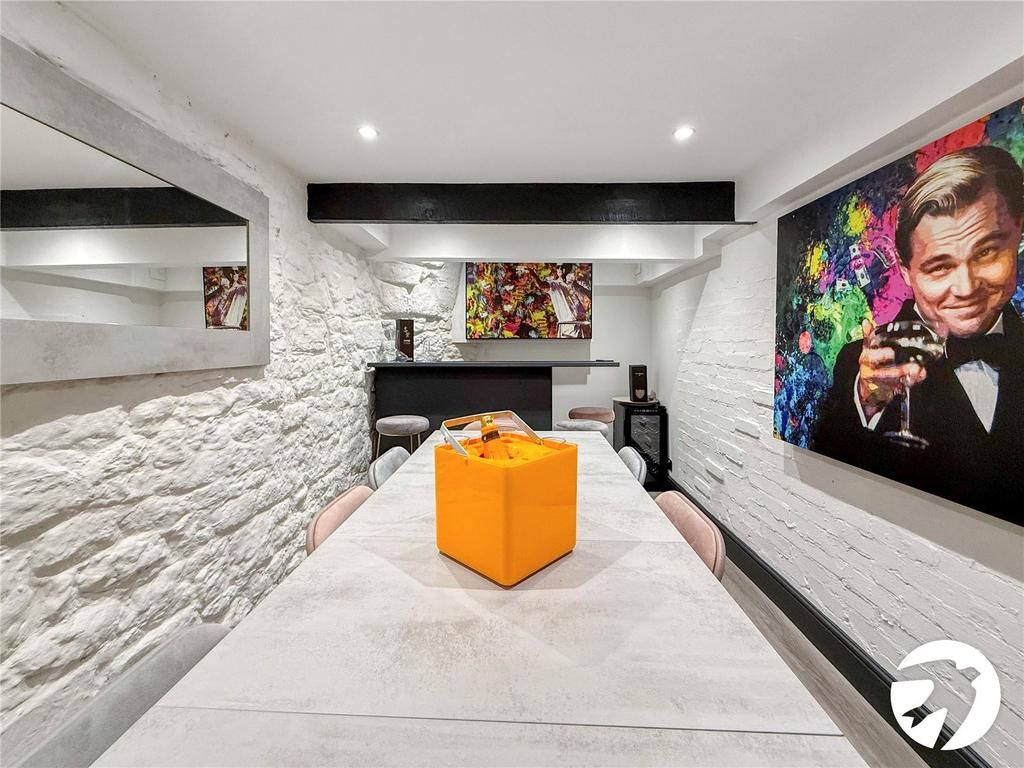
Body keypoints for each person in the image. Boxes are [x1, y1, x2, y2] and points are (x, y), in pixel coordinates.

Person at [814, 145, 1023, 521]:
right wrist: (869, 403)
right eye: (939, 267)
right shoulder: (856, 365)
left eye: (986, 252)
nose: (966, 288)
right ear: (906, 272)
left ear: (1017, 236)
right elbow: (826, 477)